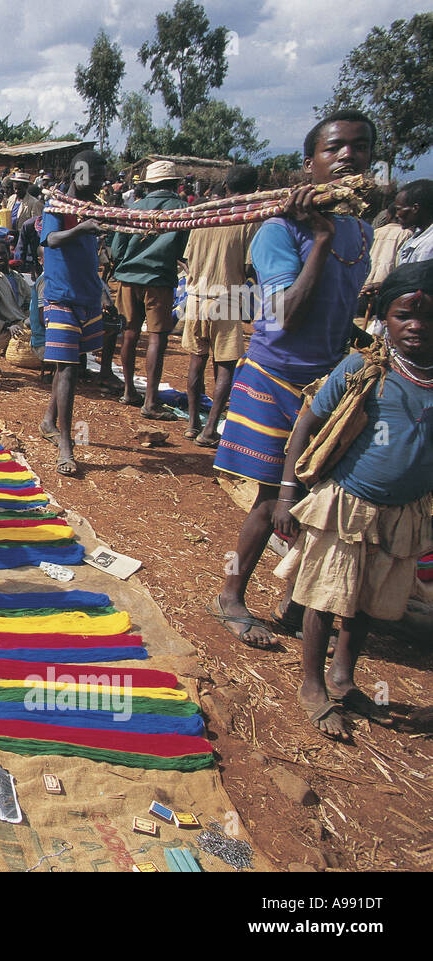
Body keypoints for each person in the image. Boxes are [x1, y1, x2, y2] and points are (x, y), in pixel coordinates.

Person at [210, 110, 375, 648]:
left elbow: (343, 303)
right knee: (267, 498)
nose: (347, 156)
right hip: (272, 375)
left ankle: (297, 598)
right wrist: (320, 241)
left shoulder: (363, 230)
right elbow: (283, 315)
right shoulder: (278, 230)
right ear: (311, 165)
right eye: (334, 149)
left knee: (316, 496)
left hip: (325, 381)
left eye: (358, 147)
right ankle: (232, 593)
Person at [271, 261, 433, 738]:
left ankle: (344, 678)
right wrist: (287, 492)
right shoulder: (365, 369)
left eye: (427, 316)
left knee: (365, 602)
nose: (416, 326)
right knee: (325, 597)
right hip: (347, 505)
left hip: (401, 513)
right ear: (385, 316)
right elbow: (307, 422)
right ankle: (313, 685)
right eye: (404, 315)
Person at [37, 150, 109, 477]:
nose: (100, 182)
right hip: (62, 294)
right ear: (79, 173)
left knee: (72, 365)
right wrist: (83, 229)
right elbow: (50, 239)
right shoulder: (58, 203)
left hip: (87, 293)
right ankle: (66, 443)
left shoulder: (90, 205)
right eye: (95, 176)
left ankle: (49, 421)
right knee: (67, 369)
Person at [180, 164, 261, 447]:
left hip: (195, 297)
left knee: (196, 360)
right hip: (226, 296)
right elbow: (251, 266)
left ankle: (193, 423)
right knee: (224, 365)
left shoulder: (204, 215)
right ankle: (210, 428)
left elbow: (188, 259)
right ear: (255, 190)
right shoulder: (250, 218)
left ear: (225, 186)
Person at [109, 160, 190, 418]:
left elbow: (116, 250)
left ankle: (129, 390)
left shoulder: (134, 208)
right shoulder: (182, 209)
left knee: (130, 333)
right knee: (157, 337)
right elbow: (183, 250)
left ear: (147, 185)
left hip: (129, 277)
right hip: (159, 279)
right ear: (175, 184)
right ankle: (151, 402)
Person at [395, 179, 433, 266]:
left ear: (415, 208)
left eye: (398, 209)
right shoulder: (416, 238)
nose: (397, 215)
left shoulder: (429, 245)